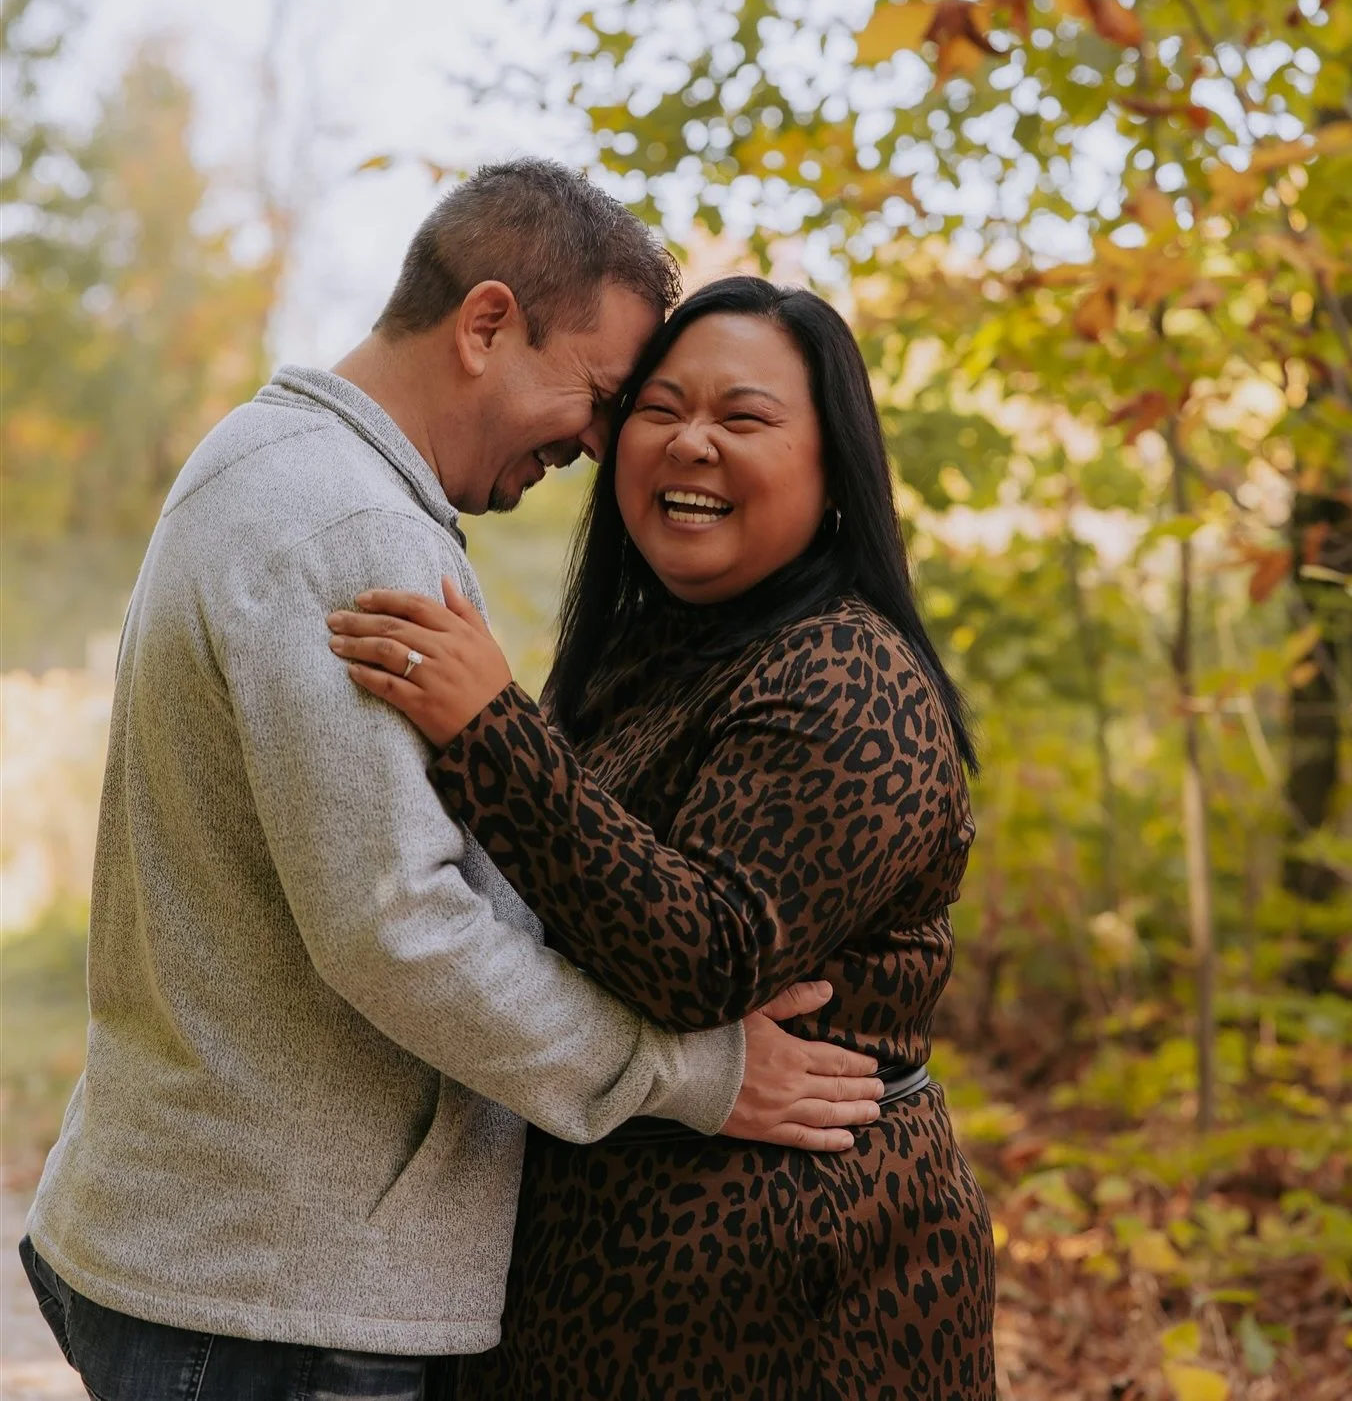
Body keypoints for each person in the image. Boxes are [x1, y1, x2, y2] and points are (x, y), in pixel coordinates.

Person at [20, 164, 885, 1401]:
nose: (597, 445)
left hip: (211, 1245)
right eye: (596, 395)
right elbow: (401, 928)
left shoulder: (268, 451)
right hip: (279, 1295)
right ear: (486, 324)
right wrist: (693, 1073)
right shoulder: (352, 530)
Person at [330, 275, 997, 1401]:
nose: (691, 443)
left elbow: (705, 954)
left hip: (799, 1298)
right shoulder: (646, 656)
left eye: (742, 418)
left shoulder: (848, 673)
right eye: (658, 408)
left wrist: (489, 729)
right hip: (600, 1293)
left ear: (834, 470)